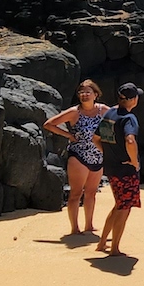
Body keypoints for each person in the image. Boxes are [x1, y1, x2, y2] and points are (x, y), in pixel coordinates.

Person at [43, 79, 108, 235]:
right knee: (76, 193)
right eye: (81, 92)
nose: (84, 95)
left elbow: (119, 120)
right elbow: (49, 124)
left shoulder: (104, 110)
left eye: (88, 92)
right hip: (78, 155)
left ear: (96, 94)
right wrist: (68, 135)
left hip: (98, 156)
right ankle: (75, 228)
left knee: (91, 192)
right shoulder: (74, 112)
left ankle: (89, 225)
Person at [96, 83, 142, 256]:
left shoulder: (110, 113)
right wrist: (133, 161)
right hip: (125, 170)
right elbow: (130, 140)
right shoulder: (129, 118)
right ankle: (114, 248)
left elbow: (96, 138)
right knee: (124, 208)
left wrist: (109, 153)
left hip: (111, 168)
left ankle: (102, 243)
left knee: (118, 205)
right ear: (132, 100)